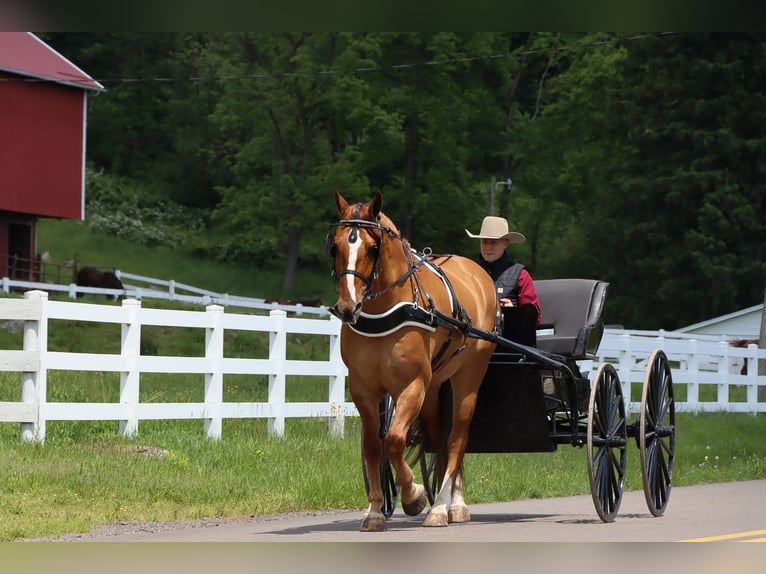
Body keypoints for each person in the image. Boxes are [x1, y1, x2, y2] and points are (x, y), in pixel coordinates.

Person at [466, 216, 542, 340]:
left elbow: (535, 317)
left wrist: (514, 312)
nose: (488, 247)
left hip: (509, 343)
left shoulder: (521, 275)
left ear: (506, 243)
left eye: (493, 242)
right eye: (484, 241)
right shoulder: (469, 272)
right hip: (471, 341)